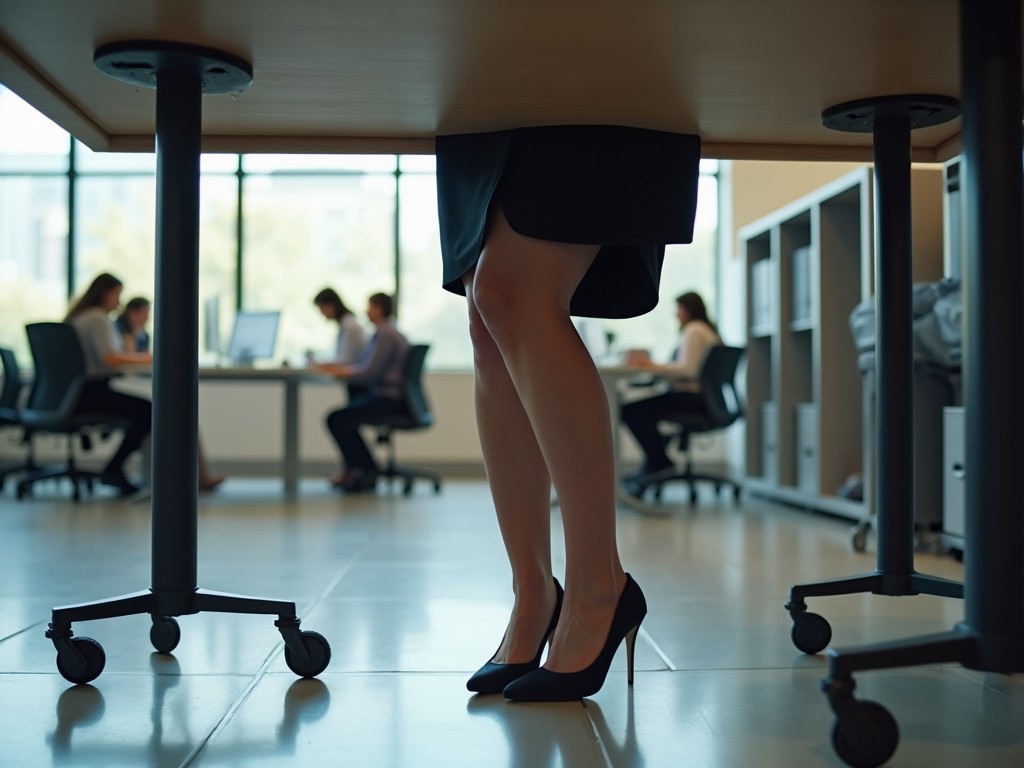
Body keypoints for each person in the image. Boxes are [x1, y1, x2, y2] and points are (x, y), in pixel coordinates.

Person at [435, 125, 702, 701]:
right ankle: (534, 592)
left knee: (513, 291)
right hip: (484, 104)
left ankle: (598, 586)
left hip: (577, 85)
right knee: (487, 317)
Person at [65, 275, 224, 495]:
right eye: (117, 296)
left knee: (149, 408)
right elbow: (110, 358)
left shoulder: (81, 317)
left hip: (75, 393)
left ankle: (119, 469)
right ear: (105, 293)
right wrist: (153, 357)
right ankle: (115, 468)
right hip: (92, 392)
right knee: (150, 411)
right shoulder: (97, 318)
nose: (119, 303)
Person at [620, 291, 723, 486]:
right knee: (639, 410)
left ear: (687, 310)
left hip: (693, 398)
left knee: (630, 411)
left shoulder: (694, 330)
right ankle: (656, 458)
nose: (676, 314)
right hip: (706, 399)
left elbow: (688, 370)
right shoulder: (706, 329)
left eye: (679, 309)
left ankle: (659, 462)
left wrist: (650, 365)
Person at [313, 292, 410, 492]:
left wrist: (337, 371)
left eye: (370, 306)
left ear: (379, 308)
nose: (366, 311)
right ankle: (365, 469)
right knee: (344, 417)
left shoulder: (386, 334)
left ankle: (367, 470)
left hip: (388, 399)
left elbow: (369, 372)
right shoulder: (385, 332)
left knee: (337, 419)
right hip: (391, 397)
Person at [311, 287, 367, 366]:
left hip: (352, 375)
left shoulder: (350, 326)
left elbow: (346, 360)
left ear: (331, 305)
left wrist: (322, 364)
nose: (321, 313)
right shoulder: (345, 323)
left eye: (322, 308)